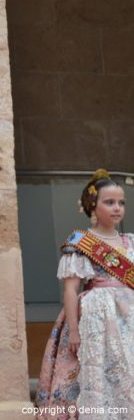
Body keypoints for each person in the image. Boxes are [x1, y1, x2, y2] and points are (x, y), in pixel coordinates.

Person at [36, 169, 134, 419]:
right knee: (98, 372)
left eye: (121, 202)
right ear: (93, 205)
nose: (117, 208)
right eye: (109, 202)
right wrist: (74, 329)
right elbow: (70, 289)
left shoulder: (130, 242)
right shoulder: (80, 243)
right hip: (97, 319)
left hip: (129, 317)